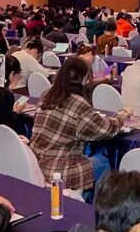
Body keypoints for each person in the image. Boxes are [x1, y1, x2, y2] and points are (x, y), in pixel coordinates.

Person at [30, 57, 127, 193]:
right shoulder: (78, 103)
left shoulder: (47, 95)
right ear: (83, 78)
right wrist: (123, 115)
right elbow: (106, 129)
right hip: (58, 170)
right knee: (104, 162)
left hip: (35, 162)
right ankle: (92, 202)